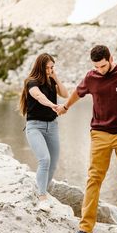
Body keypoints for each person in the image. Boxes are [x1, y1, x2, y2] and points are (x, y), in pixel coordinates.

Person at [56, 45, 117, 233]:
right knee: (94, 178)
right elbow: (78, 92)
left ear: (111, 58)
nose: (100, 70)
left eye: (103, 66)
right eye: (96, 67)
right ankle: (85, 227)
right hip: (99, 134)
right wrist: (65, 106)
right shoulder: (91, 77)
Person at [19, 53, 68, 212]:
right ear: (40, 67)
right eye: (47, 68)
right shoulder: (31, 82)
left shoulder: (51, 79)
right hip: (35, 127)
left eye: (52, 67)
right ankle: (42, 198)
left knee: (53, 164)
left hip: (52, 126)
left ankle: (41, 191)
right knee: (44, 160)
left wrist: (56, 76)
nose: (49, 70)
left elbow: (65, 94)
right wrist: (53, 105)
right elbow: (38, 96)